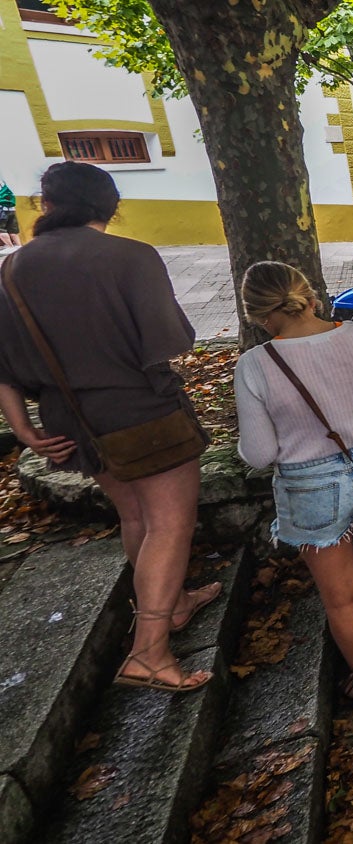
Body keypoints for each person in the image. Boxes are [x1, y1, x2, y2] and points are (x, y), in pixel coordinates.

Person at [0, 161, 216, 692]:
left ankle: (174, 603)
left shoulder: (10, 270)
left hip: (69, 418)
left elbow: (3, 365)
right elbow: (171, 340)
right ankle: (149, 652)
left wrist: (23, 429)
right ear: (110, 206)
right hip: (141, 413)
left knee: (136, 516)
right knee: (170, 523)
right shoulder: (131, 257)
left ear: (45, 205)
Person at [235, 261, 353, 706]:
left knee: (342, 598)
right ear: (311, 296)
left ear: (258, 315)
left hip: (308, 485)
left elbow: (258, 455)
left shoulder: (255, 365)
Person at [0, 180, 18, 247]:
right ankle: (19, 248)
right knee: (13, 232)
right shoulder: (4, 184)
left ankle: (11, 248)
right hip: (11, 209)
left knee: (1, 231)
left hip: (2, 211)